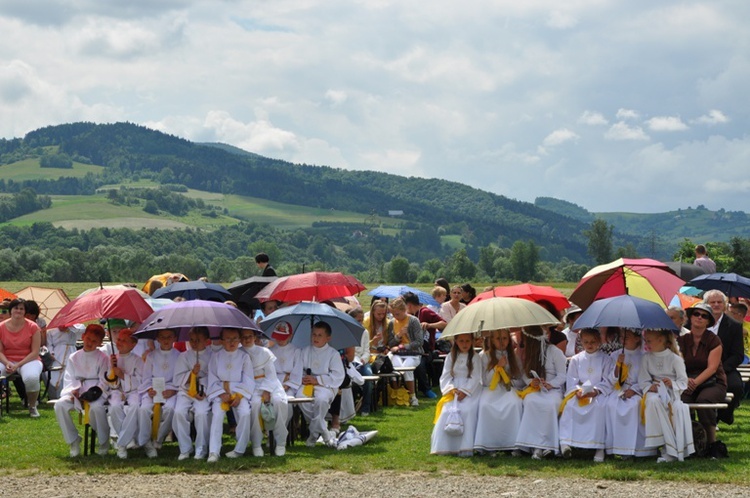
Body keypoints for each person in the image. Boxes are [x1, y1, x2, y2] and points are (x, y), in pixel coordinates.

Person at [53, 324, 110, 457]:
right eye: (88, 339)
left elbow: (104, 380)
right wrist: (73, 391)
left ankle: (103, 440)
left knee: (97, 408)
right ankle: (73, 440)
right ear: (83, 337)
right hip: (77, 391)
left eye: (94, 341)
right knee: (60, 405)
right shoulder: (74, 357)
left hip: (96, 392)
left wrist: (94, 392)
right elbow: (70, 377)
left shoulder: (103, 358)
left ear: (100, 343)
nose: (90, 343)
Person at [639, 328, 694, 462]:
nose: (647, 344)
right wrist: (649, 387)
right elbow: (643, 379)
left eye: (650, 341)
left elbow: (683, 381)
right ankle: (663, 445)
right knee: (653, 401)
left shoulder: (675, 359)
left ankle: (669, 449)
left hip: (671, 393)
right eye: (646, 341)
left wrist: (672, 383)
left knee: (671, 407)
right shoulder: (646, 358)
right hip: (655, 392)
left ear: (661, 340)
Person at [677, 303, 727, 451]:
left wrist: (694, 383)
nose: (699, 317)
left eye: (704, 316)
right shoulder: (681, 340)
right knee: (681, 401)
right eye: (696, 314)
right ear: (690, 318)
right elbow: (677, 364)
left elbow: (712, 368)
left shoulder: (714, 340)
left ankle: (711, 443)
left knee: (704, 400)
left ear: (708, 321)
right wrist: (686, 380)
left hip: (713, 382)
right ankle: (687, 442)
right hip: (687, 381)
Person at [559, 328, 613, 462]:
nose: (589, 345)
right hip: (580, 393)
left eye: (593, 342)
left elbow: (607, 380)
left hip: (597, 393)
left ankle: (599, 447)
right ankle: (566, 443)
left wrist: (596, 390)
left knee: (599, 408)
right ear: (581, 342)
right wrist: (577, 390)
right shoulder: (576, 359)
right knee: (570, 406)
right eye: (586, 342)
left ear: (599, 341)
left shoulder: (606, 359)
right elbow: (571, 379)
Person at [514, 325, 567, 459]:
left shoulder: (554, 352)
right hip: (536, 389)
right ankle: (534, 446)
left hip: (553, 389)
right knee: (531, 401)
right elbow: (523, 375)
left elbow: (562, 375)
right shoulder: (528, 354)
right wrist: (530, 382)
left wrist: (551, 384)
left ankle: (547, 445)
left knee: (550, 405)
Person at [207, 327, 254, 462]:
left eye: (235, 338)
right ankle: (214, 451)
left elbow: (248, 378)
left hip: (239, 392)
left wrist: (239, 395)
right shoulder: (215, 357)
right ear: (222, 341)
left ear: (239, 340)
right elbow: (212, 378)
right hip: (221, 392)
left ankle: (240, 449)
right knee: (217, 415)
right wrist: (221, 394)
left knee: (245, 413)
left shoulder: (244, 356)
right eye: (228, 339)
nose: (232, 342)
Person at [605, 329, 654, 458]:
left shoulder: (644, 356)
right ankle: (617, 447)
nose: (623, 340)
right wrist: (618, 366)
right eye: (621, 337)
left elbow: (645, 378)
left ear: (637, 339)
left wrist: (634, 390)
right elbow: (611, 379)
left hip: (636, 391)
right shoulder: (615, 355)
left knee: (634, 406)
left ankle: (635, 449)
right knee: (611, 404)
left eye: (627, 337)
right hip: (619, 389)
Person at [473, 329, 524, 454]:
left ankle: (511, 443)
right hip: (491, 389)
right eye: (498, 339)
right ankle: (489, 444)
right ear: (491, 340)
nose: (502, 342)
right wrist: (498, 368)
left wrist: (509, 379)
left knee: (514, 404)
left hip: (507, 389)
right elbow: (485, 381)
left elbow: (520, 378)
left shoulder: (514, 357)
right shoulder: (484, 356)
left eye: (505, 338)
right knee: (486, 406)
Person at [431, 332, 481, 457]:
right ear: (456, 342)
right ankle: (446, 446)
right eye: (461, 341)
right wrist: (451, 389)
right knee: (447, 411)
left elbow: (476, 377)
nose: (465, 344)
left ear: (472, 342)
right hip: (454, 389)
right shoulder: (450, 356)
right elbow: (446, 375)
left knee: (467, 410)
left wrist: (465, 391)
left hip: (471, 390)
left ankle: (465, 446)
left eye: (467, 341)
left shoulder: (475, 357)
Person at [240, 327, 288, 457]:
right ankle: (256, 444)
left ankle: (280, 442)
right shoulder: (238, 353)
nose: (247, 339)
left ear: (255, 337)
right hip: (251, 387)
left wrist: (266, 391)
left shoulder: (264, 352)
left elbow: (271, 375)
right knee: (255, 404)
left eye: (249, 336)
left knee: (279, 402)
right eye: (243, 337)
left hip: (270, 384)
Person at [297, 321, 345, 447]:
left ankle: (313, 436)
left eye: (319, 335)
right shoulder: (305, 351)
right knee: (300, 398)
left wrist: (317, 380)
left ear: (328, 338)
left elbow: (338, 376)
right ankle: (324, 432)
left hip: (325, 386)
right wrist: (304, 378)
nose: (316, 338)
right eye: (314, 334)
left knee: (321, 400)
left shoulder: (333, 354)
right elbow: (298, 370)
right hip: (307, 385)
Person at [134, 328, 180, 458]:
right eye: (162, 337)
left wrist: (173, 390)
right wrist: (149, 389)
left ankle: (159, 438)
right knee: (144, 409)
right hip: (152, 389)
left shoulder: (179, 356)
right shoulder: (151, 356)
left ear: (174, 338)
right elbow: (146, 376)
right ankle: (146, 442)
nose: (165, 340)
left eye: (169, 337)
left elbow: (179, 378)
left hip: (170, 390)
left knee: (170, 409)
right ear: (157, 339)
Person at [172, 327, 213, 461]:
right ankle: (185, 448)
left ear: (207, 341)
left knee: (201, 413)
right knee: (179, 412)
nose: (194, 343)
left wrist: (202, 389)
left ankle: (201, 447)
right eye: (192, 340)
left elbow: (214, 376)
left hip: (203, 392)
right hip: (186, 391)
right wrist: (192, 374)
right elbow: (178, 378)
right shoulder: (184, 356)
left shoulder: (212, 356)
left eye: (198, 340)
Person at [703, 289, 744, 424]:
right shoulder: (696, 322)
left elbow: (738, 355)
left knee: (736, 386)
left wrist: (720, 369)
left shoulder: (735, 326)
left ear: (725, 304)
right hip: (699, 367)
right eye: (712, 302)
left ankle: (724, 415)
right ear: (706, 304)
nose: (716, 305)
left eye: (719, 302)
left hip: (725, 367)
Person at [0, 298, 43, 417]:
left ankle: (32, 406)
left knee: (31, 378)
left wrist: (17, 365)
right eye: (15, 308)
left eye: (21, 309)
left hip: (29, 359)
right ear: (10, 310)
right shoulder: (1, 327)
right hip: (6, 359)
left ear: (25, 312)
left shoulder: (33, 327)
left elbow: (35, 352)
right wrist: (7, 362)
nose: (18, 311)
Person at [108, 328, 145, 460]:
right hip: (117, 391)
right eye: (118, 339)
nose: (120, 343)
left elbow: (141, 382)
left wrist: (123, 375)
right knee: (114, 407)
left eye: (124, 340)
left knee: (134, 406)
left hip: (134, 392)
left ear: (133, 344)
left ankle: (121, 443)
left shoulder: (138, 360)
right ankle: (127, 440)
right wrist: (112, 371)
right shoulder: (113, 358)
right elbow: (109, 382)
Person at [403, 292, 446, 398]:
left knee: (419, 363)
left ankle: (426, 389)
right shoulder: (405, 317)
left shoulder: (424, 312)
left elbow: (444, 324)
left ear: (409, 305)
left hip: (426, 351)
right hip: (409, 349)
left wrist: (429, 325)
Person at [388, 298, 424, 407]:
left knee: (407, 368)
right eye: (393, 314)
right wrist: (398, 336)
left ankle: (413, 396)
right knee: (394, 367)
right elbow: (390, 343)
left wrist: (403, 346)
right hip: (398, 354)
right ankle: (396, 394)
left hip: (413, 353)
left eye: (397, 314)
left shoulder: (413, 321)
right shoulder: (392, 323)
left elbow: (419, 342)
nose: (395, 316)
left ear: (404, 310)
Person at [347, 308, 374, 416]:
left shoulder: (364, 332)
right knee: (350, 380)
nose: (361, 322)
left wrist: (364, 359)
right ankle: (351, 407)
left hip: (362, 361)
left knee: (368, 375)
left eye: (362, 320)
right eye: (358, 320)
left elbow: (367, 350)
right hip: (350, 360)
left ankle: (366, 407)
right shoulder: (346, 331)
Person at [45, 324, 82, 400]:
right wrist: (51, 352)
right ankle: (55, 394)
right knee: (55, 372)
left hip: (71, 351)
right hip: (57, 353)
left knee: (70, 372)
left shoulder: (74, 328)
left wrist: (70, 327)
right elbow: (49, 344)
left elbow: (80, 332)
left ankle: (69, 393)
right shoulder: (51, 331)